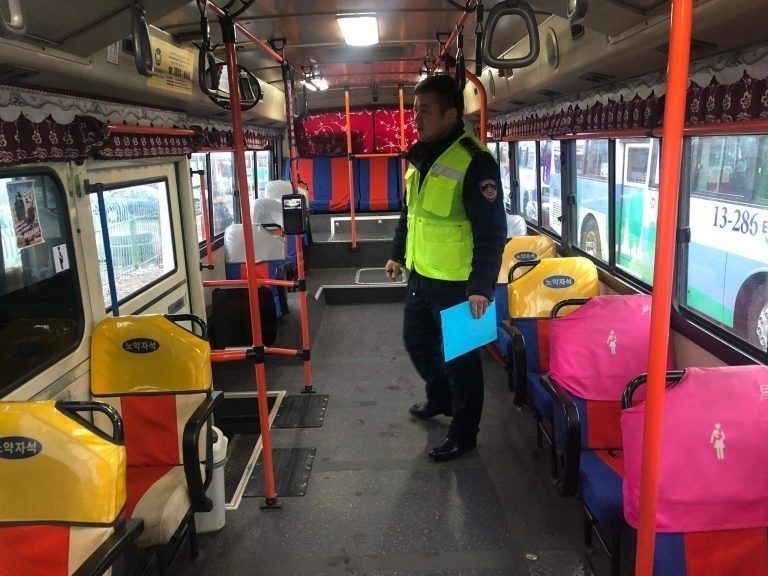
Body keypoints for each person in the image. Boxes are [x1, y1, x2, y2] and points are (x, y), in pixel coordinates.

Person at [385, 74, 506, 462]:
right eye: (415, 111)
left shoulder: (475, 161)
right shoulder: (421, 155)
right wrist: (397, 254)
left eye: (424, 111)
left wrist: (482, 286)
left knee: (463, 361)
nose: (416, 119)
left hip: (460, 283)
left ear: (450, 115)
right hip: (421, 275)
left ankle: (464, 433)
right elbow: (411, 214)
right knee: (417, 342)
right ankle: (440, 398)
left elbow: (492, 231)